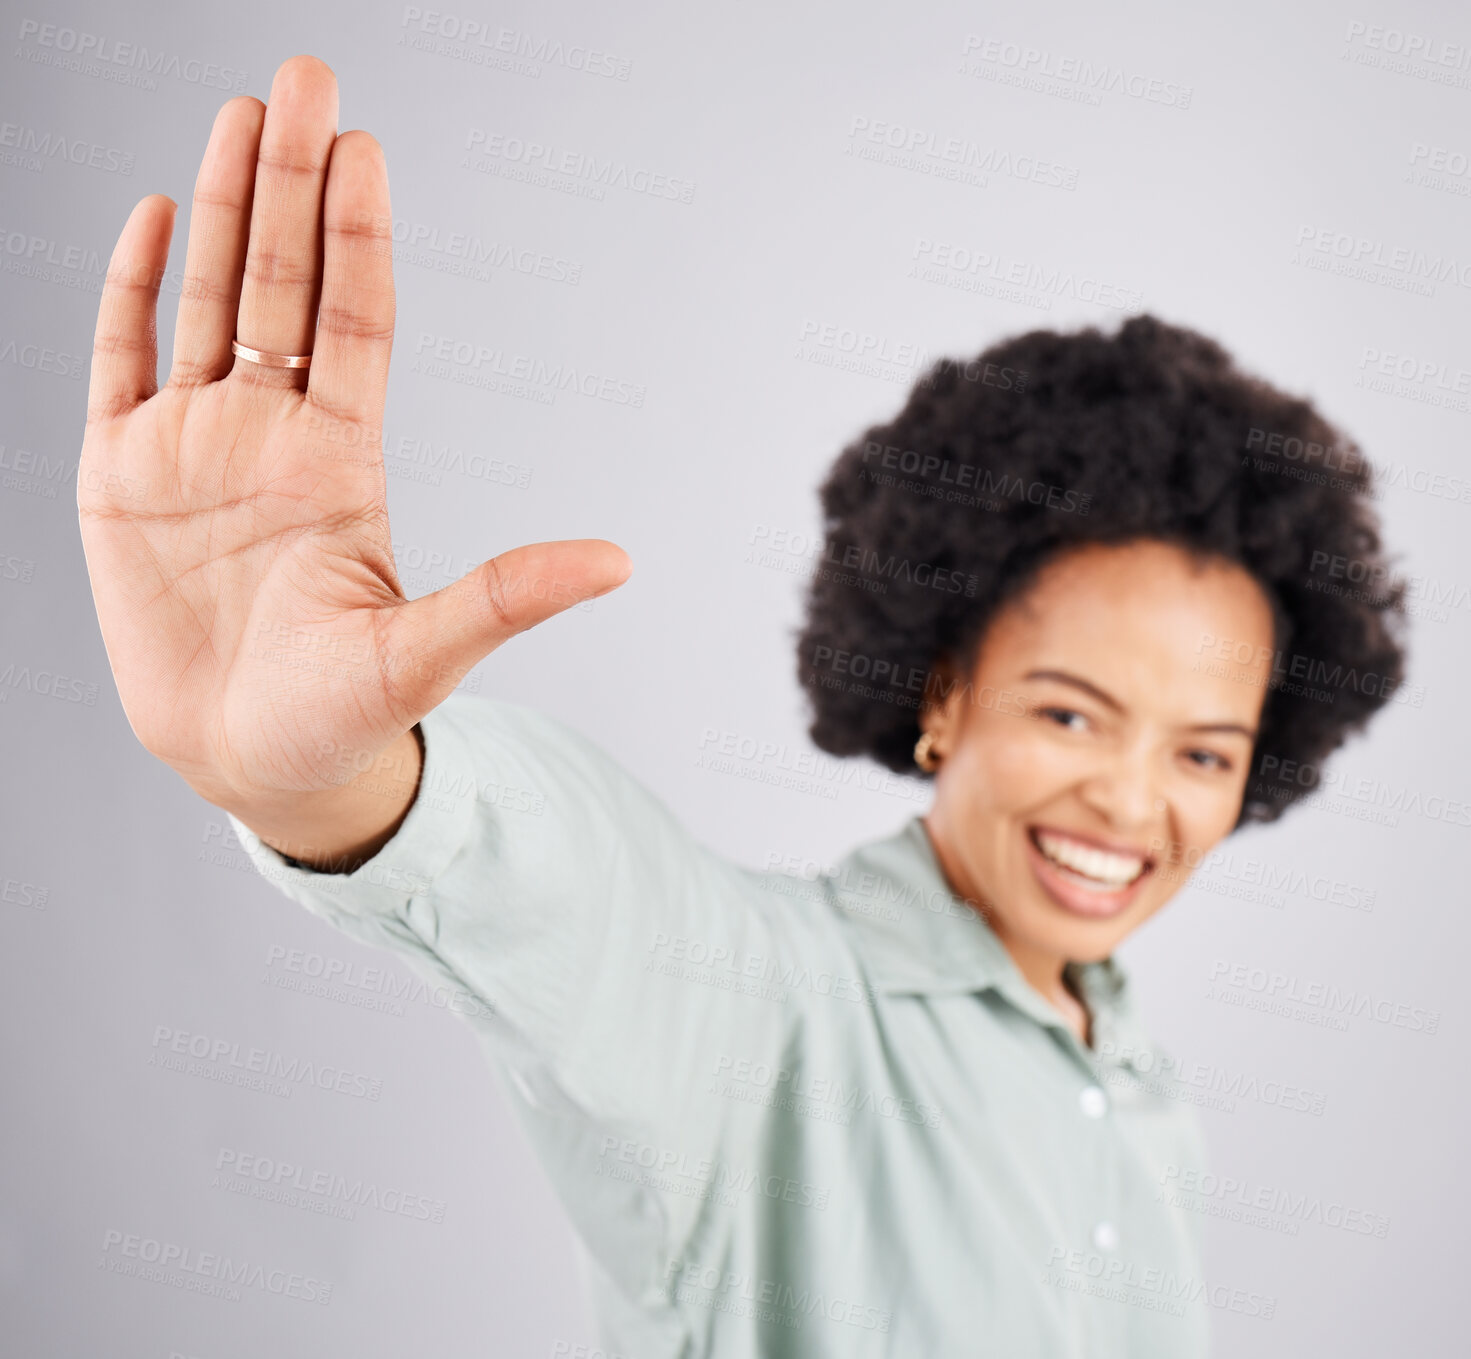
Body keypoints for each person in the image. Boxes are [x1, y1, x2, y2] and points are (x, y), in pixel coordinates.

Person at [77, 54, 1406, 1358]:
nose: (1130, 798)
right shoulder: (765, 1010)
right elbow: (556, 888)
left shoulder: (1147, 1101)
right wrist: (323, 779)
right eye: (1070, 714)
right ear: (944, 692)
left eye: (1205, 751)